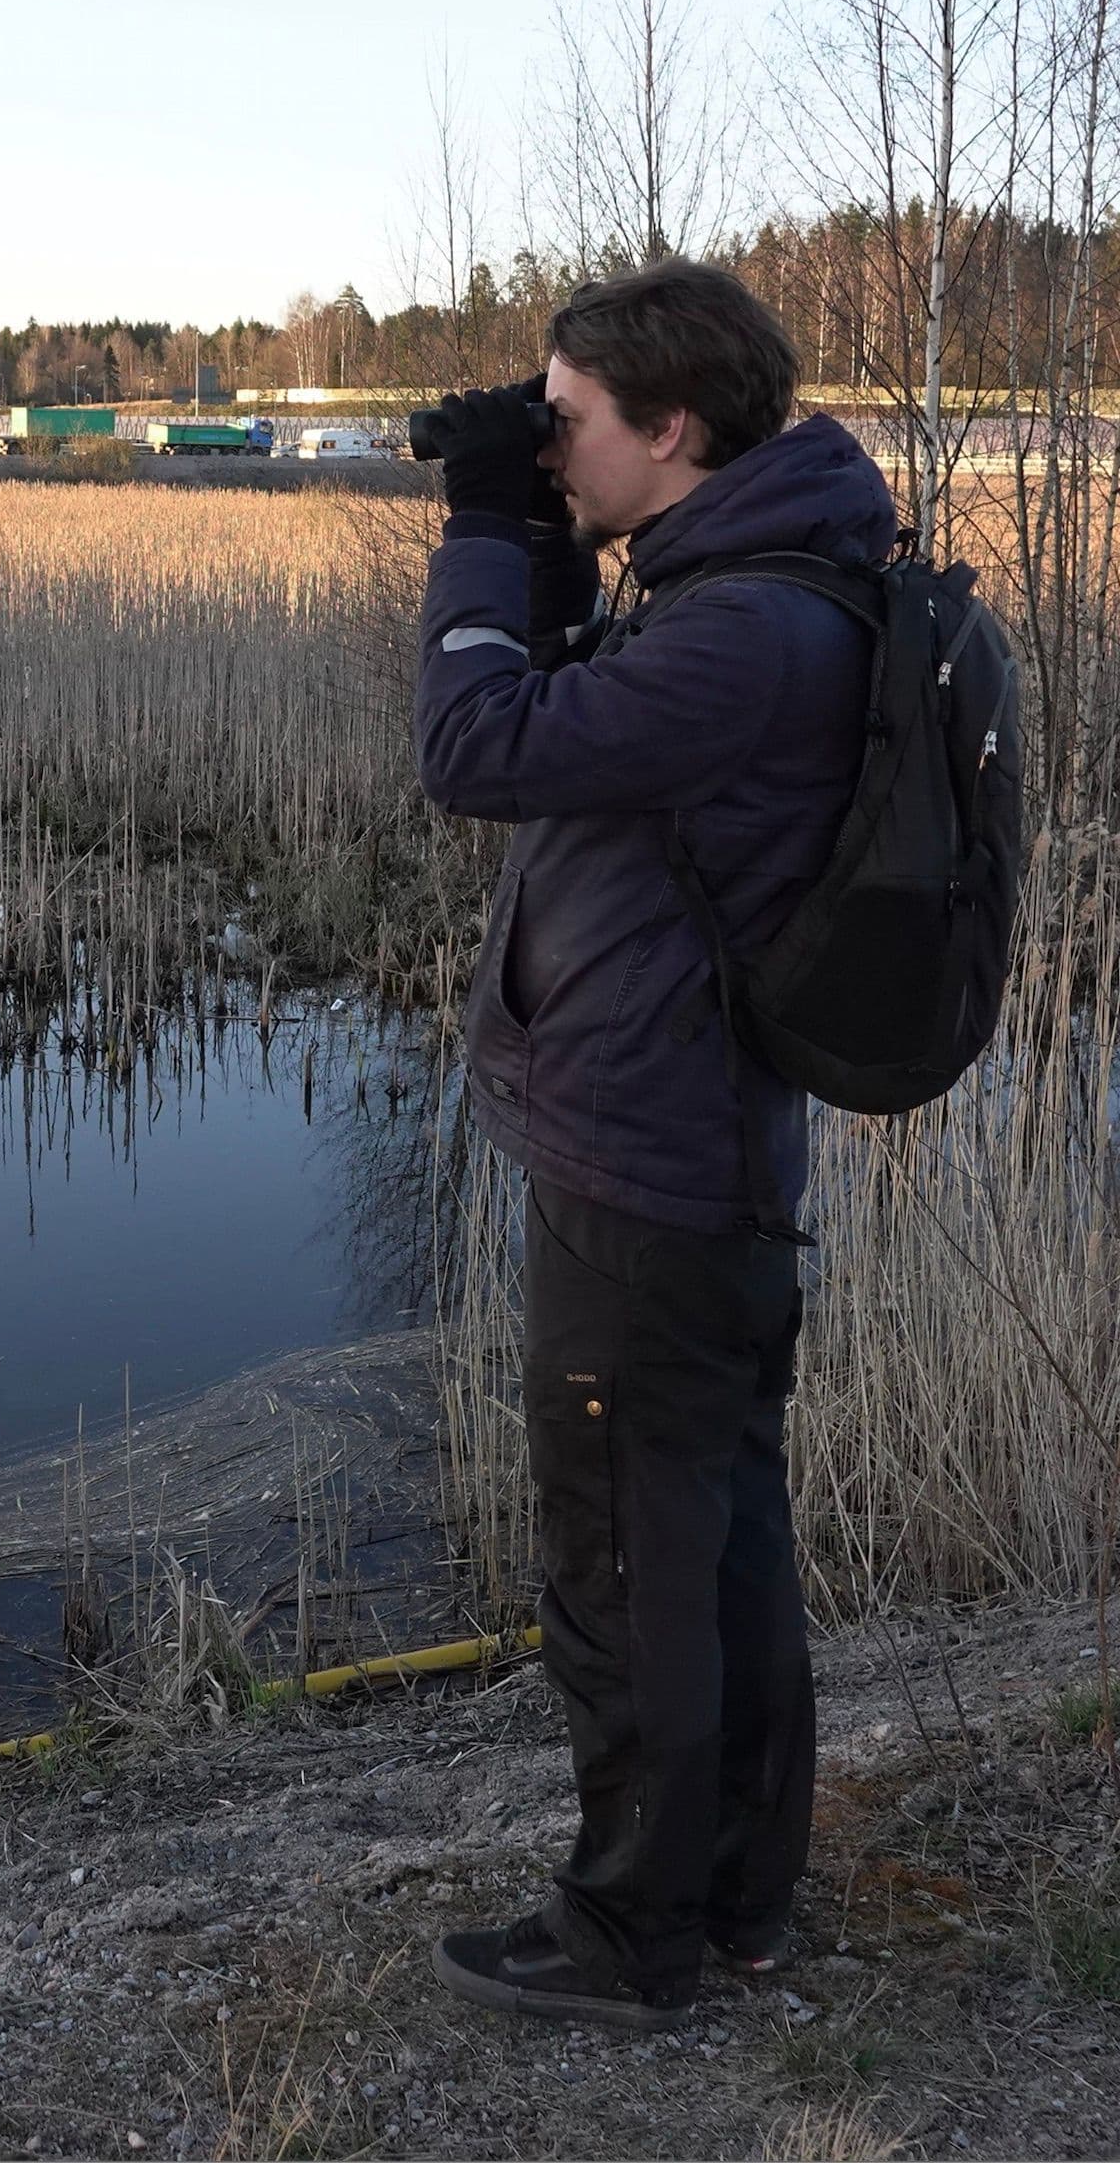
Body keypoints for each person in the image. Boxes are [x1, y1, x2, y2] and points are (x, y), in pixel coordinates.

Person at [410, 256, 897, 2033]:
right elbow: (559, 713)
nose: (550, 447)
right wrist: (539, 526)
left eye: (569, 420)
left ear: (672, 425)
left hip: (650, 1162)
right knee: (718, 1542)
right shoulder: (753, 587)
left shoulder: (743, 633)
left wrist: (482, 524)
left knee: (624, 1565)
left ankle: (631, 1938)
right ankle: (736, 1898)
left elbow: (478, 745)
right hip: (702, 1152)